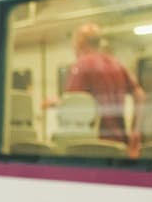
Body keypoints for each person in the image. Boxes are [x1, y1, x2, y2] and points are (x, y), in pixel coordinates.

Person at [47, 23, 146, 158]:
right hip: (119, 145)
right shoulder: (117, 64)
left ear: (80, 42)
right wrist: (136, 130)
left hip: (92, 146)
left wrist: (57, 103)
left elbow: (72, 105)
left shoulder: (82, 65)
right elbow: (140, 95)